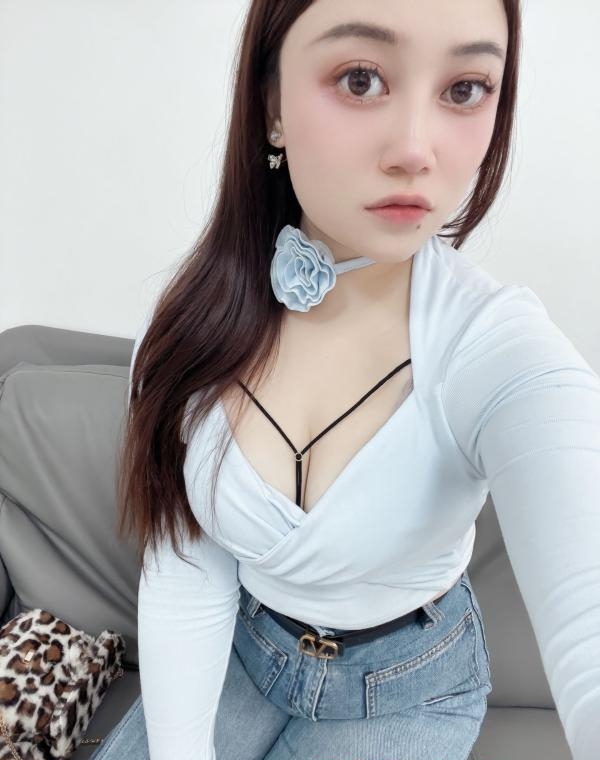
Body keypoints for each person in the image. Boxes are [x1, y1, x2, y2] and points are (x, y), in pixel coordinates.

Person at [91, 1, 600, 759]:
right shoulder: (188, 326)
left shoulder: (498, 349)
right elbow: (189, 565)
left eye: (464, 89)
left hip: (413, 682)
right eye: (361, 79)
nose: (416, 150)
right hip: (242, 649)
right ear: (272, 106)